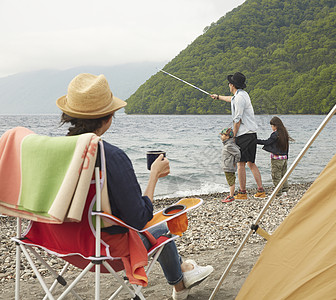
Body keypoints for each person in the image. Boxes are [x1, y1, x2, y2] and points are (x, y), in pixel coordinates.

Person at [56, 73, 213, 300]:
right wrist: (154, 177)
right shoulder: (110, 156)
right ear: (109, 117)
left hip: (62, 244)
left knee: (154, 231)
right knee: (161, 231)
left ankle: (184, 276)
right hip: (105, 249)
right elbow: (139, 218)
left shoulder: (57, 152)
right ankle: (180, 282)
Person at [211, 72, 266, 200]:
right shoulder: (242, 95)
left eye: (229, 83)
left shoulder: (239, 98)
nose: (228, 85)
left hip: (244, 135)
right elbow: (230, 99)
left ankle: (242, 193)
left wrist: (233, 136)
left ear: (233, 85)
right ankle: (260, 190)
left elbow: (237, 119)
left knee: (241, 164)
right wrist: (218, 97)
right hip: (251, 134)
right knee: (251, 163)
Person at [257, 116, 293, 197]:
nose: (272, 128)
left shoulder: (275, 134)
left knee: (276, 176)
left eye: (272, 126)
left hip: (276, 159)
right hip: (284, 158)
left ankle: (278, 193)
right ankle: (284, 191)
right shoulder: (284, 133)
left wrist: (255, 141)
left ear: (275, 126)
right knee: (283, 175)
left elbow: (267, 142)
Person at [220, 127, 241, 203]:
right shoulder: (229, 144)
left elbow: (238, 153)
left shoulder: (229, 145)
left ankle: (231, 196)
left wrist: (235, 162)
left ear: (227, 136)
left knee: (231, 182)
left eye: (222, 135)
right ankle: (231, 194)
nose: (221, 136)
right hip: (228, 166)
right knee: (230, 181)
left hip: (229, 166)